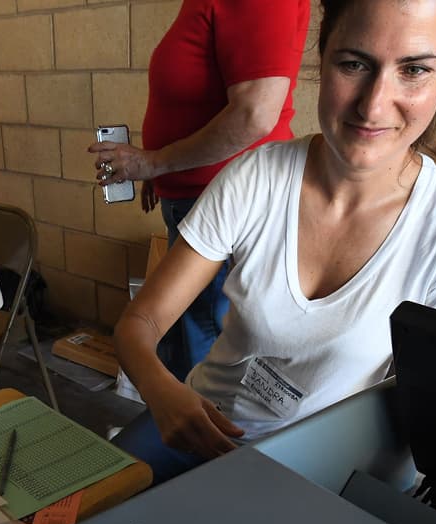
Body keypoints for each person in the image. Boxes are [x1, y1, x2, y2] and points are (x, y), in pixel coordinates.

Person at [113, 0, 436, 485]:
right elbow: (140, 323)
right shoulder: (256, 177)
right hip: (200, 424)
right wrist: (162, 391)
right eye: (354, 64)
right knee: (79, 518)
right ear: (322, 51)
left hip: (317, 469)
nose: (374, 106)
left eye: (415, 70)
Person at [89, 0, 310, 379]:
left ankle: (190, 418)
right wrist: (161, 170)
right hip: (199, 200)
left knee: (198, 351)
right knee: (185, 340)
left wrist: (153, 163)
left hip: (221, 206)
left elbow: (255, 114)